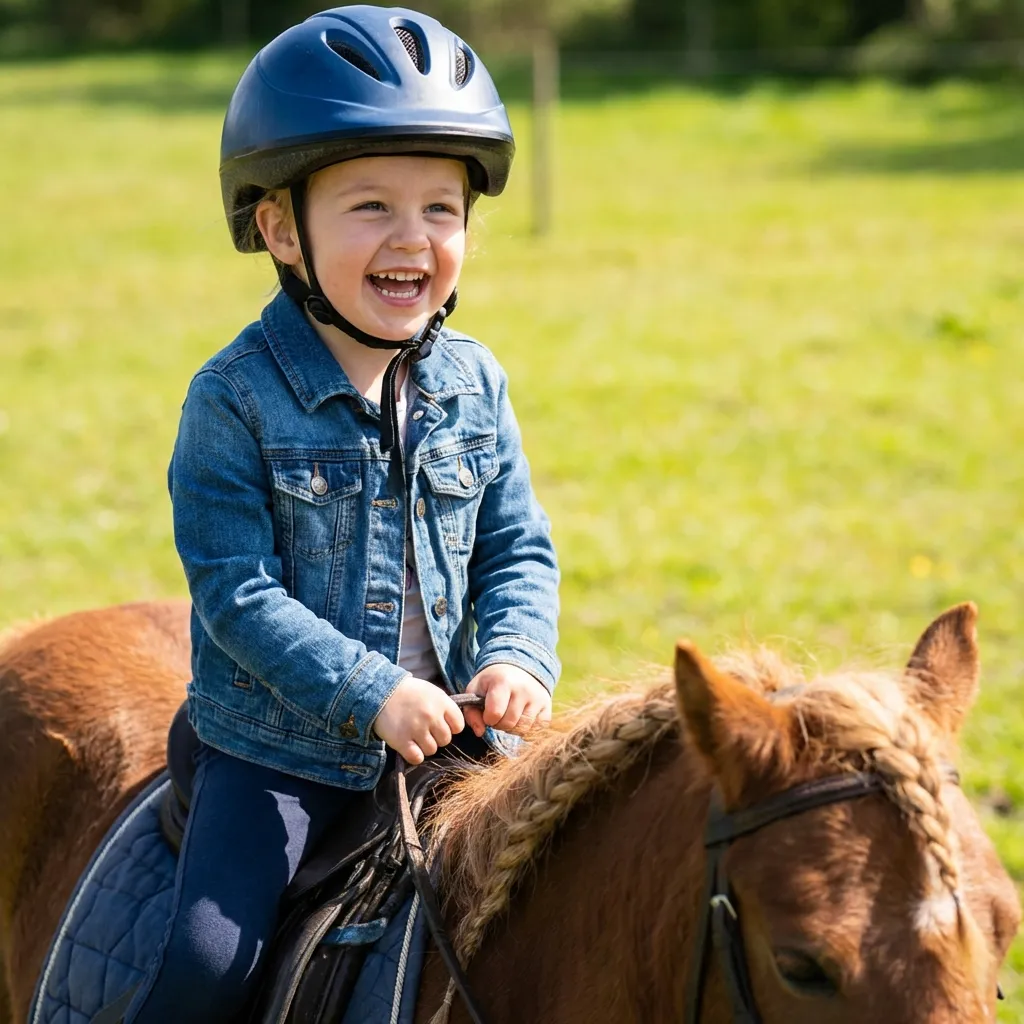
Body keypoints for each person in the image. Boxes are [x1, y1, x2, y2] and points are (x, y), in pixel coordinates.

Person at [125, 7, 560, 1022]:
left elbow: (515, 543)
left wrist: (517, 656)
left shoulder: (473, 384)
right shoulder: (233, 399)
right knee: (207, 962)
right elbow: (237, 594)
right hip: (278, 752)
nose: (412, 239)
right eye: (370, 206)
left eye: (441, 210)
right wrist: (371, 692)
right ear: (280, 227)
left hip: (459, 726)